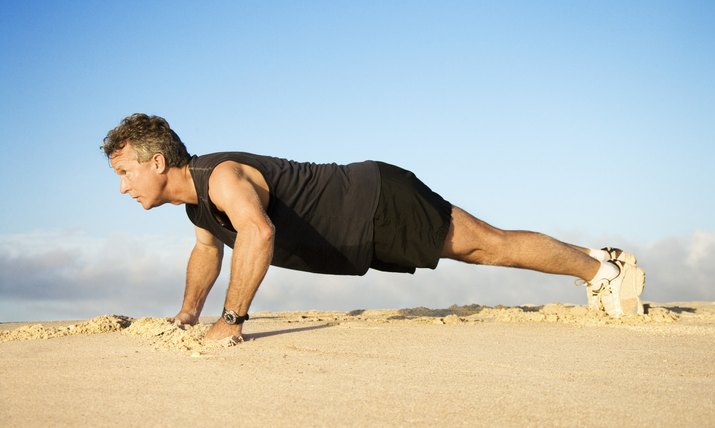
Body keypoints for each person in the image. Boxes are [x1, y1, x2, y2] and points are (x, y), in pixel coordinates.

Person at [102, 113, 645, 340]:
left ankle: (603, 270)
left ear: (156, 163)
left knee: (486, 247)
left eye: (125, 173)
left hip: (377, 200)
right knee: (485, 246)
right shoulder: (197, 204)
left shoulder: (219, 178)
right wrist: (188, 314)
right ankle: (600, 261)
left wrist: (233, 319)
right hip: (359, 227)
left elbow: (258, 234)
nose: (123, 187)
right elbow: (208, 252)